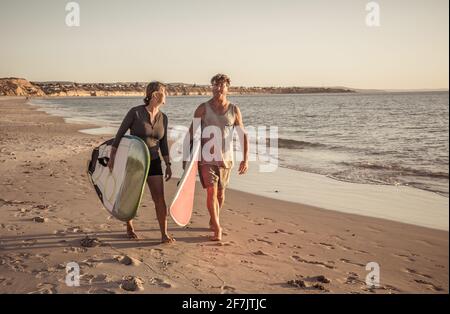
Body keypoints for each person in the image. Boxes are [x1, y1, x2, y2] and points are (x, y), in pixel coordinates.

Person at [108, 81, 175, 244]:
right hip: (135, 161)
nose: (167, 95)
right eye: (164, 92)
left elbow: (164, 143)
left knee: (159, 198)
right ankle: (129, 226)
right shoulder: (135, 113)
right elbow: (120, 135)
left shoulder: (163, 118)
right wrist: (112, 157)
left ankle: (164, 233)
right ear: (155, 95)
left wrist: (168, 164)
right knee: (130, 195)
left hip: (153, 161)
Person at [187, 74, 249, 241]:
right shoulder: (202, 108)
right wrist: (188, 160)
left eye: (221, 85)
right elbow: (191, 134)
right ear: (211, 87)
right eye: (215, 85)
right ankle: (217, 227)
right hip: (206, 158)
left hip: (226, 158)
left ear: (228, 88)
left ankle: (213, 219)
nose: (218, 88)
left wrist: (245, 159)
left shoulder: (234, 110)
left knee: (221, 194)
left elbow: (243, 135)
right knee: (211, 192)